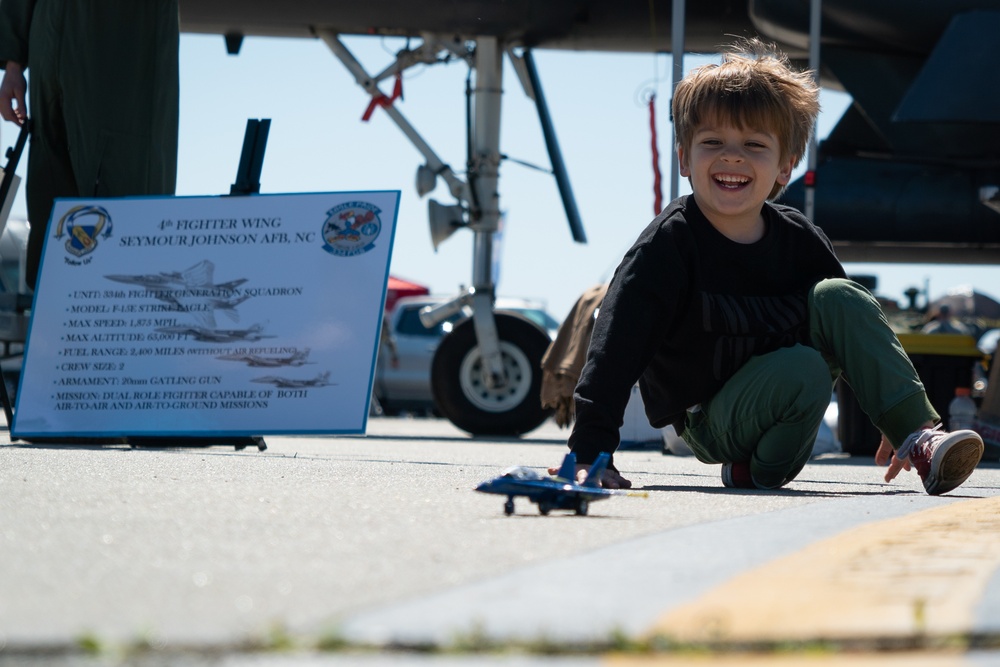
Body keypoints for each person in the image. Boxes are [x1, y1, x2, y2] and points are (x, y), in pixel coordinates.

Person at [555, 38, 984, 496]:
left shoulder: (800, 239)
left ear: (786, 165)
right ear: (684, 157)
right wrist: (589, 452)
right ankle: (751, 470)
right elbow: (615, 348)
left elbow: (854, 328)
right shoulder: (667, 246)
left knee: (839, 295)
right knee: (803, 368)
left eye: (754, 144)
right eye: (712, 141)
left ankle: (917, 437)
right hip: (708, 418)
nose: (732, 156)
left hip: (788, 388)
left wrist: (892, 414)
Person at [0, 0, 180, 290]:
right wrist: (13, 65)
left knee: (119, 186)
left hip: (118, 34)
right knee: (51, 197)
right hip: (49, 32)